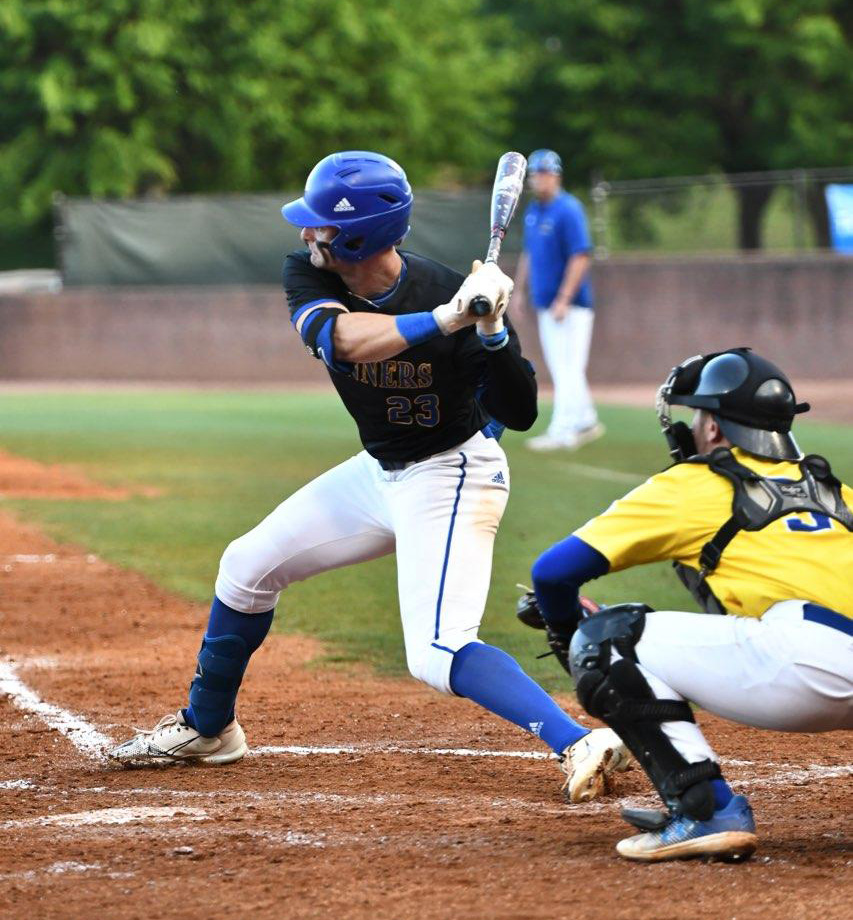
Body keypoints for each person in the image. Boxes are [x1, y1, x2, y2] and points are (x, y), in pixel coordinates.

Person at [110, 150, 631, 802]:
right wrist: (448, 319)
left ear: (358, 236)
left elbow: (519, 412)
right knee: (245, 567)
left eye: (322, 225)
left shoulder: (455, 291)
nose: (308, 235)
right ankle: (210, 729)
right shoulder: (312, 274)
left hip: (452, 474)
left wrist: (493, 331)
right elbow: (346, 341)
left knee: (436, 651)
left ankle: (578, 741)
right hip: (380, 471)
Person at [524, 347, 853, 861]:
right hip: (824, 648)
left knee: (606, 639)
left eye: (699, 415)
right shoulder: (835, 492)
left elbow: (552, 572)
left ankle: (705, 811)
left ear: (716, 429)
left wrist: (570, 635)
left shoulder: (699, 482)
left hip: (807, 668)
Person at [510, 149, 603, 452]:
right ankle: (586, 419)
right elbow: (529, 254)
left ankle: (563, 430)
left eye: (546, 173)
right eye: (536, 173)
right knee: (562, 365)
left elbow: (580, 255)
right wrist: (520, 290)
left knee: (568, 367)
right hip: (545, 302)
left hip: (571, 306)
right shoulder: (534, 212)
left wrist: (564, 297)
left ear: (557, 175)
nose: (540, 179)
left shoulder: (568, 209)